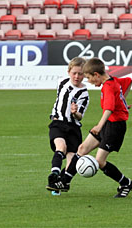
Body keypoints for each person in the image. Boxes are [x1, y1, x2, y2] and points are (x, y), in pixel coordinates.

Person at [48, 57, 132, 198]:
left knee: (100, 161)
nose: (88, 81)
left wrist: (99, 126)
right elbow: (129, 82)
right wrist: (122, 102)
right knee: (82, 149)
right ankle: (64, 181)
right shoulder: (113, 80)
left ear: (96, 75)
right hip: (109, 123)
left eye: (89, 77)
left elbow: (109, 109)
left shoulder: (107, 87)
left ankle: (126, 183)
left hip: (114, 126)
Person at [45, 57, 89, 195]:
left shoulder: (84, 94)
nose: (77, 76)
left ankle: (61, 182)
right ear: (69, 71)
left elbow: (80, 115)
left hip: (73, 128)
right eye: (74, 73)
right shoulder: (62, 82)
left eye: (81, 74)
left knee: (72, 162)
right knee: (61, 147)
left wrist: (75, 113)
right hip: (58, 123)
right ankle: (53, 176)